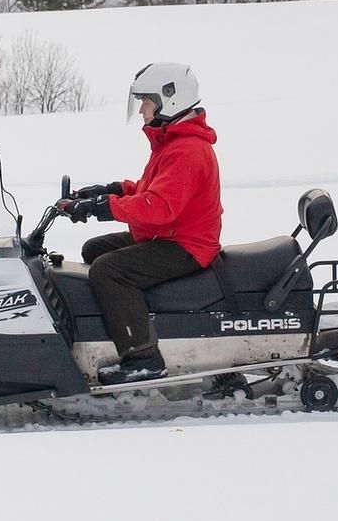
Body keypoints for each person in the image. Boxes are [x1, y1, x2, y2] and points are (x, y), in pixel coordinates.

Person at [64, 61, 222, 385]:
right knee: (94, 249)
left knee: (109, 270)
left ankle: (144, 358)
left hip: (186, 244)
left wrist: (105, 207)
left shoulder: (188, 151)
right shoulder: (173, 142)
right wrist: (110, 191)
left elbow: (160, 207)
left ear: (169, 99)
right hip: (168, 234)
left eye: (146, 102)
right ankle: (128, 321)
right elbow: (151, 190)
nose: (141, 111)